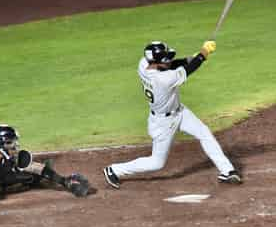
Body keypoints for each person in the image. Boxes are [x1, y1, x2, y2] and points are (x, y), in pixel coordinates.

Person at [103, 41, 242, 189]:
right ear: (157, 62)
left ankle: (227, 170)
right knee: (157, 163)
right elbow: (188, 70)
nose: (168, 61)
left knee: (204, 133)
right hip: (163, 123)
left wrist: (190, 58)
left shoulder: (143, 64)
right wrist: (203, 54)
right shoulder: (164, 79)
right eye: (165, 59)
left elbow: (172, 64)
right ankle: (114, 170)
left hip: (180, 112)